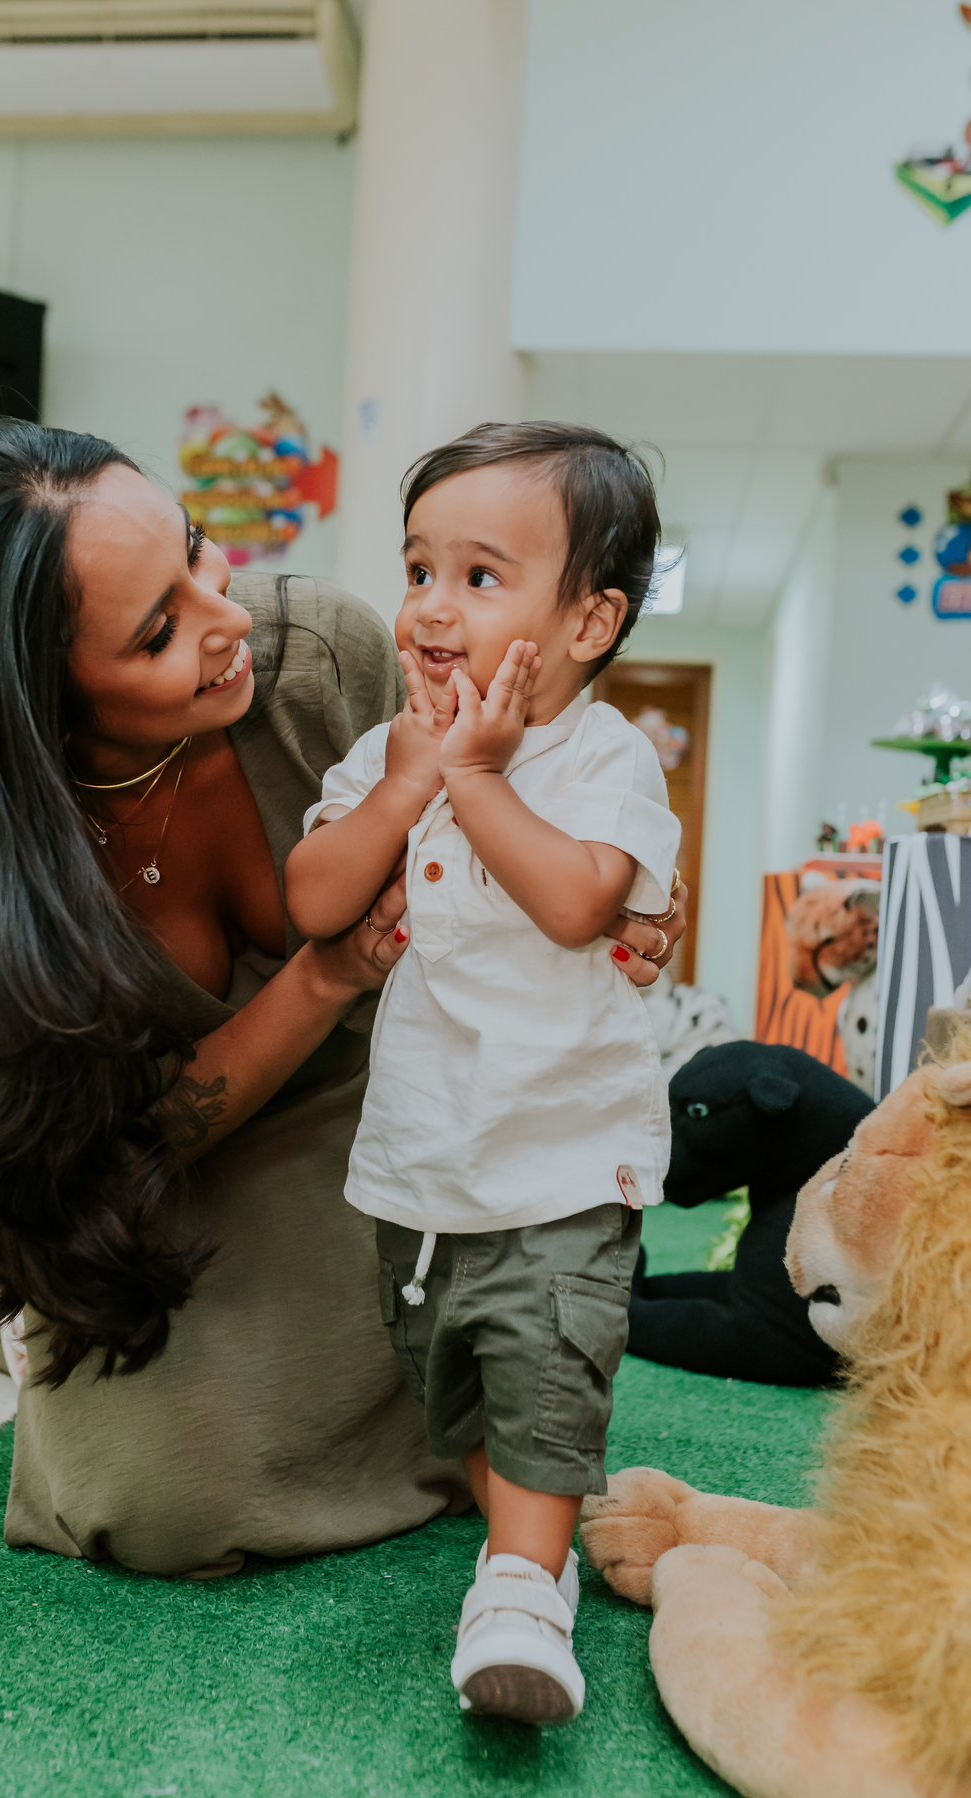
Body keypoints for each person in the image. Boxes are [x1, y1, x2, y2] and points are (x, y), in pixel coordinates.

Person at [0, 417, 685, 1579]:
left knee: (496, 1317)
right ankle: (73, 1320)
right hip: (141, 1179)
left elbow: (522, 827)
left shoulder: (314, 656)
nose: (228, 620)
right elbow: (61, 1168)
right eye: (161, 628)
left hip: (400, 1102)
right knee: (158, 1496)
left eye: (198, 547)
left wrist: (618, 913)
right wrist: (324, 975)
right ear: (32, 707)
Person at [285, 422, 681, 1725]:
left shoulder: (605, 757)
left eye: (479, 574)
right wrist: (411, 784)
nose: (431, 607)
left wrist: (478, 774)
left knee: (546, 1355)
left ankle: (524, 1581)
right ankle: (519, 1529)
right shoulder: (393, 752)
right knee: (447, 1365)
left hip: (564, 1156)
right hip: (420, 1163)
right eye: (418, 568)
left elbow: (578, 903)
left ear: (587, 619)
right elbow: (315, 894)